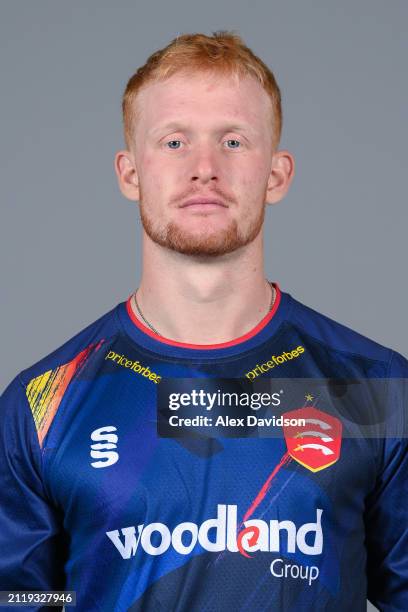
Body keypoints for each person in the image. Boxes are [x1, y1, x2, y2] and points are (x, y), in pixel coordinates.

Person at [0, 30, 407, 612]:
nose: (205, 169)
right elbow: (20, 600)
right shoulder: (40, 405)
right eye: (173, 142)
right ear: (129, 172)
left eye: (234, 141)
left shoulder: (377, 389)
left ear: (277, 173)